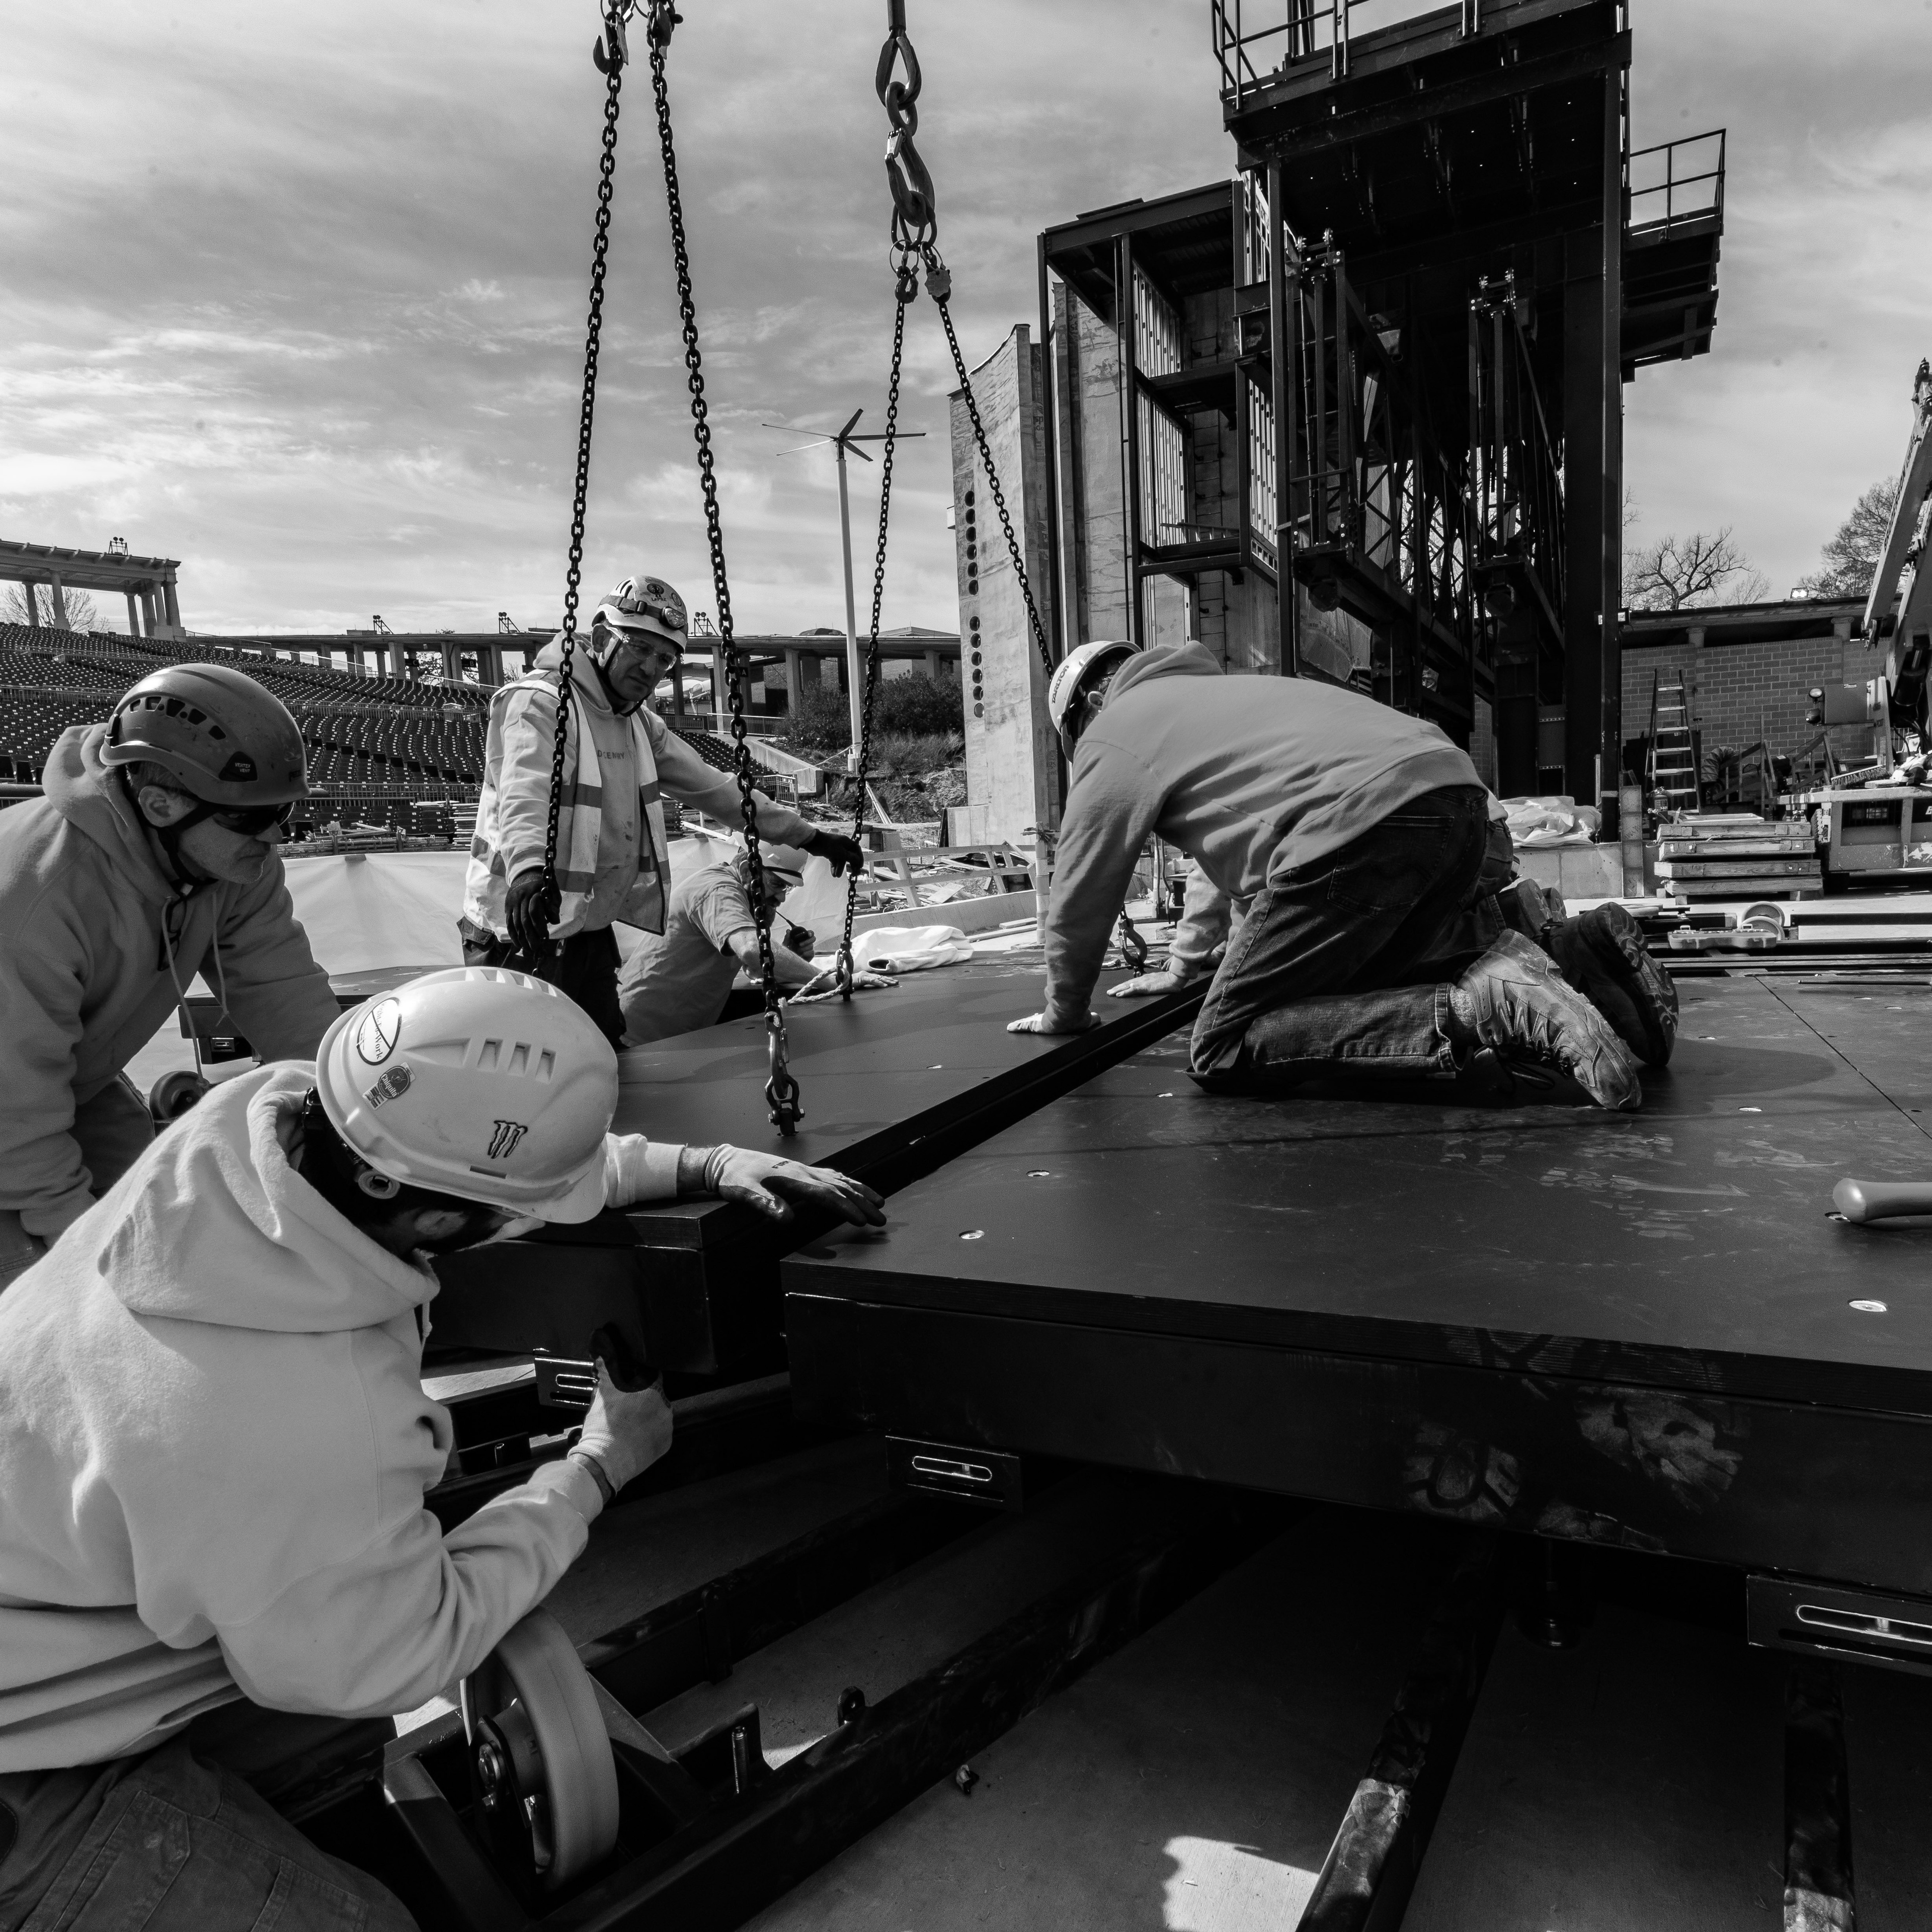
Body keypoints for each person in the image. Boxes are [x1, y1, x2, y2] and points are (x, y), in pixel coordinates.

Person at [0, 966, 883, 1930]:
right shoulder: (297, 1415)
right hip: (24, 1775)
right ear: (425, 1218)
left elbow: (475, 1164)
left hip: (59, 1594)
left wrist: (706, 1166)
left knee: (324, 1737)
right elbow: (403, 1651)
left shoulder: (263, 1131)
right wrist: (595, 1468)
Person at [1011, 640, 1674, 1108]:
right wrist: (1190, 967)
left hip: (1356, 825)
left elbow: (1082, 886)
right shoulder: (1213, 700)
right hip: (1453, 801)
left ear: (1087, 708)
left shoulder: (1115, 729)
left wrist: (1064, 1013)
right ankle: (1574, 951)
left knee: (1221, 1046)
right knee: (1364, 975)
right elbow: (1232, 872)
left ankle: (1485, 1009)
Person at [0, 663, 341, 1291]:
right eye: (250, 818)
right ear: (160, 804)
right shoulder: (36, 894)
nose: (275, 836)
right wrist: (78, 1258)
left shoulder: (228, 858)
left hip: (62, 1078)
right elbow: (13, 1107)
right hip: (10, 1099)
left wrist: (355, 1114)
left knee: (153, 1224)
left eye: (284, 811)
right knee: (46, 1302)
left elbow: (284, 995)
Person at [462, 573, 864, 1046]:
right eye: (639, 648)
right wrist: (529, 870)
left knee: (602, 1060)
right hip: (518, 926)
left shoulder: (638, 725)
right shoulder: (542, 702)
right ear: (599, 638)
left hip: (583, 925)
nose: (652, 667)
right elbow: (525, 791)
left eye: (665, 658)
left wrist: (810, 837)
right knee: (524, 1066)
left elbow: (717, 791)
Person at [617, 840, 895, 1045]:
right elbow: (751, 950)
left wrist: (789, 953)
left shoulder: (742, 898)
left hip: (677, 1036)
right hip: (641, 1034)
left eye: (786, 888)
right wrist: (835, 980)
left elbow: (756, 968)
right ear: (747, 870)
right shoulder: (718, 890)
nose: (781, 898)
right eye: (776, 885)